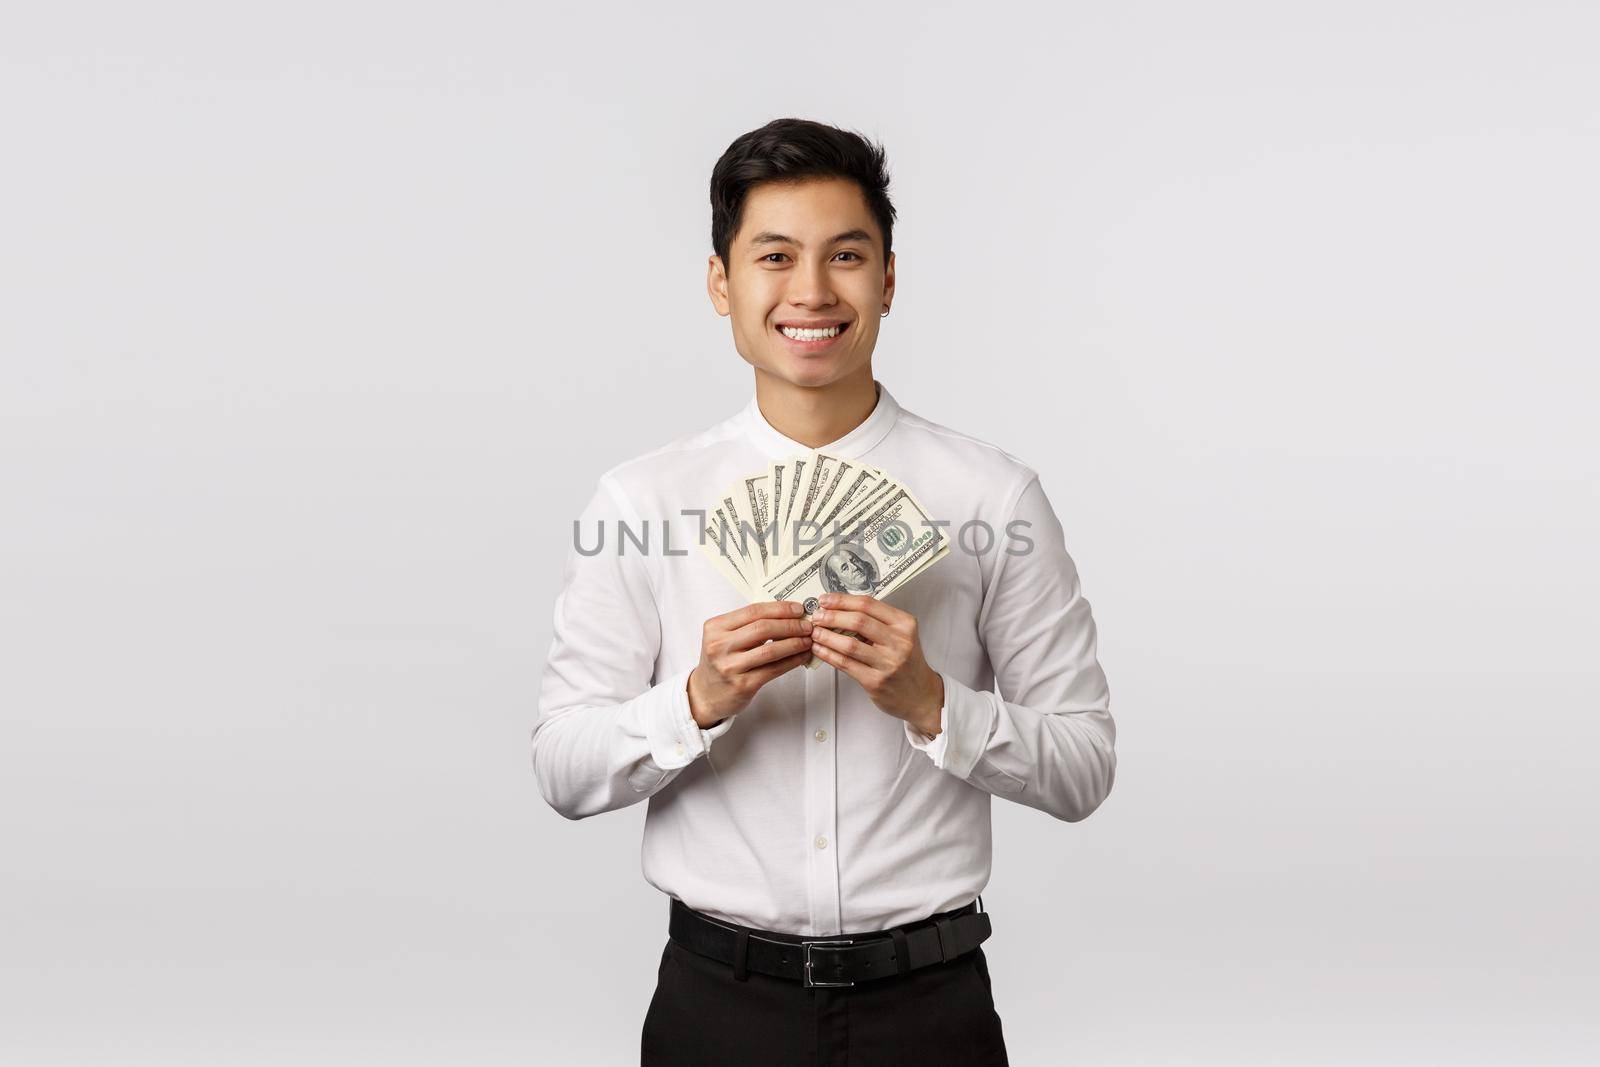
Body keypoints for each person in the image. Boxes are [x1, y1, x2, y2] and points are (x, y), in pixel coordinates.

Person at [532, 117, 1117, 1066]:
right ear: (722, 283)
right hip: (716, 1006)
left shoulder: (991, 497)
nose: (811, 291)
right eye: (775, 256)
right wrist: (695, 702)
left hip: (930, 1008)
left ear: (888, 280)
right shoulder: (642, 501)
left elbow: (1085, 763)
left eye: (846, 256)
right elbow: (562, 766)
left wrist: (934, 706)